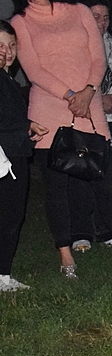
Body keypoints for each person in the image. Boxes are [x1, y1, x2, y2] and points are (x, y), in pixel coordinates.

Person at [8, 0, 112, 278]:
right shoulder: (20, 22)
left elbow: (97, 56)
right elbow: (32, 69)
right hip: (49, 111)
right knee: (57, 190)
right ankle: (66, 256)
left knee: (105, 185)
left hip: (89, 108)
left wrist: (87, 91)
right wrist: (71, 96)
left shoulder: (79, 11)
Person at [69, 0, 112, 251]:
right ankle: (81, 232)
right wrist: (98, 99)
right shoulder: (75, 45)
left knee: (108, 175)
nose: (101, 22)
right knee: (84, 174)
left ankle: (106, 230)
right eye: (96, 16)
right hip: (88, 118)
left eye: (105, 17)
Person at [0, 20, 47, 291]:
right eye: (0, 45)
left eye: (11, 45)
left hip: (14, 156)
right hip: (5, 160)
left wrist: (27, 128)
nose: (6, 51)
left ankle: (3, 274)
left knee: (12, 217)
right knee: (8, 217)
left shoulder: (9, 81)